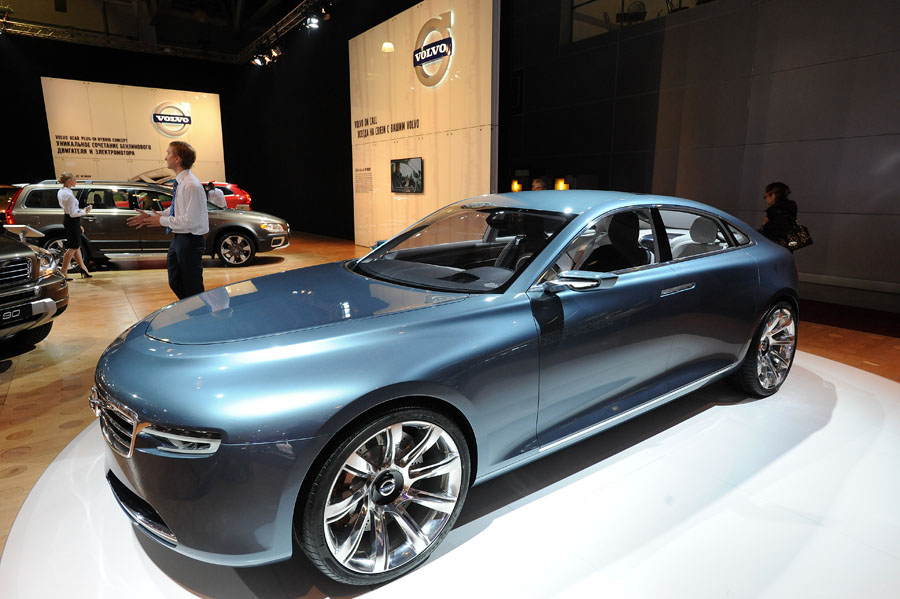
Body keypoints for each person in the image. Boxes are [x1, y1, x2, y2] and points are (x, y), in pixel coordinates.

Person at [127, 141, 209, 299]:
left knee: (192, 286)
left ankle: (199, 311)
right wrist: (152, 216)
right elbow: (176, 210)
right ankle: (191, 308)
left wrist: (161, 221)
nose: (165, 158)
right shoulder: (181, 182)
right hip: (179, 238)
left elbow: (190, 221)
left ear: (177, 159)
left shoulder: (191, 185)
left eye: (168, 153)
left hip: (190, 240)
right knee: (176, 281)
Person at [56, 172, 92, 280]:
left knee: (76, 247)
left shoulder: (62, 191)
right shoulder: (69, 195)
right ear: (68, 181)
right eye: (74, 179)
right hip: (72, 220)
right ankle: (63, 272)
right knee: (73, 248)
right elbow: (72, 214)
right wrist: (85, 212)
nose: (76, 181)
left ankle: (83, 269)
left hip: (70, 220)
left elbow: (71, 211)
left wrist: (79, 221)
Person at [759, 181, 798, 245]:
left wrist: (765, 225)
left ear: (773, 196)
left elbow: (766, 230)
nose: (765, 199)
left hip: (774, 244)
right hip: (789, 243)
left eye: (765, 197)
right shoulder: (791, 206)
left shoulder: (773, 211)